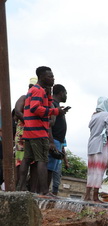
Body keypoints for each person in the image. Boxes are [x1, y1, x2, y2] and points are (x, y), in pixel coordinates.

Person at [17, 66, 69, 194]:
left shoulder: (38, 91)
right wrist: (56, 111)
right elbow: (36, 108)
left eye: (53, 77)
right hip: (38, 131)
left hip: (30, 130)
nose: (53, 79)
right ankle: (45, 191)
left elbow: (44, 105)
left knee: (27, 159)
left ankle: (21, 187)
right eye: (50, 76)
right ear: (41, 77)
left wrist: (49, 93)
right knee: (42, 160)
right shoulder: (38, 91)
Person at [84, 97, 108, 202]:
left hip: (91, 143)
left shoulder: (94, 116)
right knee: (99, 170)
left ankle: (87, 195)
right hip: (101, 144)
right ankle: (95, 196)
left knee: (91, 170)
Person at [13, 78, 38, 188]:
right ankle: (18, 187)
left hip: (34, 134)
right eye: (30, 86)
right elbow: (18, 112)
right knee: (21, 161)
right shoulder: (23, 98)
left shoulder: (38, 100)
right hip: (23, 134)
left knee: (34, 162)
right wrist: (29, 122)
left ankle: (31, 191)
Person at [47, 84, 68, 195]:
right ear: (61, 93)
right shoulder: (53, 105)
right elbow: (49, 125)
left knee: (52, 168)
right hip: (53, 140)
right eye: (65, 93)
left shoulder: (57, 107)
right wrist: (51, 141)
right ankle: (44, 190)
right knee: (48, 167)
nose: (66, 96)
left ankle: (46, 190)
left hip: (57, 141)